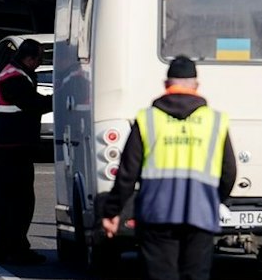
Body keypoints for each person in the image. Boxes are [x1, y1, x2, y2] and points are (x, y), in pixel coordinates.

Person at [99, 56, 237, 280]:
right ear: (196, 86)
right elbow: (229, 172)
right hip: (200, 214)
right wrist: (215, 199)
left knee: (160, 274)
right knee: (196, 275)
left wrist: (112, 211)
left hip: (156, 214)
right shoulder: (215, 120)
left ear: (166, 85)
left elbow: (127, 173)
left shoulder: (147, 119)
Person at [0, 37, 50, 266]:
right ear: (28, 57)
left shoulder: (14, 72)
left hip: (9, 146)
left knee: (11, 201)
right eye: (38, 59)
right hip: (12, 148)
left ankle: (12, 247)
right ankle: (14, 248)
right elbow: (33, 104)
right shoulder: (14, 77)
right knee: (18, 202)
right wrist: (59, 99)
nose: (39, 64)